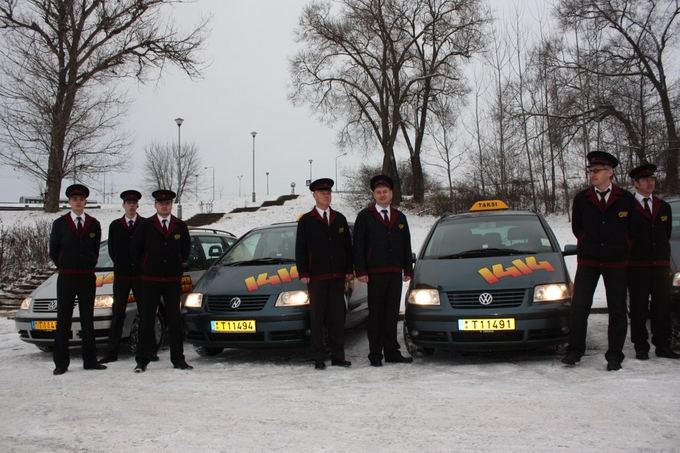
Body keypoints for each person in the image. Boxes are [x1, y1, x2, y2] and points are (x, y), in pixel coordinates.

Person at [563, 151, 635, 371]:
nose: (592, 174)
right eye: (591, 171)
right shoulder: (582, 199)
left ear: (610, 172)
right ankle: (575, 350)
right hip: (589, 262)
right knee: (579, 307)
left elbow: (633, 231)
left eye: (597, 171)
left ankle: (615, 355)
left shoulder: (625, 199)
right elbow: (577, 228)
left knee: (617, 310)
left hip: (616, 263)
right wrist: (587, 242)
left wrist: (621, 248)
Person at [353, 174, 413, 367]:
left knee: (392, 313)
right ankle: (375, 354)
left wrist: (407, 269)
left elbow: (406, 244)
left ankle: (392, 351)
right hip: (374, 273)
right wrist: (361, 270)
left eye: (385, 192)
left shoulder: (399, 217)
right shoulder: (365, 216)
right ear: (374, 194)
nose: (382, 195)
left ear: (391, 193)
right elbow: (358, 246)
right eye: (378, 192)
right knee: (376, 314)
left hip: (394, 272)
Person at [131, 189, 192, 373]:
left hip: (172, 279)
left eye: (167, 203)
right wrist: (146, 265)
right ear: (156, 205)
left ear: (171, 205)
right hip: (151, 279)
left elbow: (185, 250)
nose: (164, 206)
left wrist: (177, 264)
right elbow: (136, 250)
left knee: (174, 320)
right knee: (147, 320)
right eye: (161, 203)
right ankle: (142, 360)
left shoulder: (179, 225)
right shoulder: (146, 225)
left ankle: (178, 359)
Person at [295, 178, 353, 370]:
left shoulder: (339, 219)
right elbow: (300, 249)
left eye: (328, 192)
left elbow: (348, 248)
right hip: (316, 279)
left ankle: (338, 356)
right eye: (322, 192)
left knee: (337, 318)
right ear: (314, 195)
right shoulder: (306, 221)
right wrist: (303, 271)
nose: (326, 195)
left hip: (337, 278)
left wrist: (348, 270)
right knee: (317, 320)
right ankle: (318, 357)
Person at [49, 184, 106, 375]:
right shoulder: (60, 224)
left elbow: (95, 250)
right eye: (74, 199)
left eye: (81, 199)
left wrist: (87, 263)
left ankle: (90, 360)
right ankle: (61, 363)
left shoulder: (93, 224)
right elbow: (54, 251)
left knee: (87, 319)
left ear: (85, 202)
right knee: (63, 319)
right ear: (69, 202)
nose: (78, 202)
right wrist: (65, 265)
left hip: (87, 277)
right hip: (66, 277)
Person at [627, 163, 680, 360]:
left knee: (662, 306)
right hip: (637, 266)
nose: (650, 183)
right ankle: (641, 346)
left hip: (660, 266)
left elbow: (665, 234)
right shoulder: (628, 206)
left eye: (652, 179)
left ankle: (662, 345)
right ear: (636, 183)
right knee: (639, 307)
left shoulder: (663, 207)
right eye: (645, 180)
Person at [100, 190, 158, 363]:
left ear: (138, 205)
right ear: (123, 205)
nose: (131, 205)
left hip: (141, 276)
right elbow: (112, 250)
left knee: (146, 314)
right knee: (118, 313)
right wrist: (121, 264)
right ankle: (112, 352)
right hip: (122, 276)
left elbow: (149, 249)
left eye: (134, 202)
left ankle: (149, 350)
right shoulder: (115, 225)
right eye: (128, 202)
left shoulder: (146, 224)